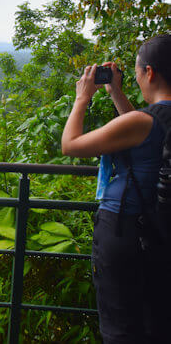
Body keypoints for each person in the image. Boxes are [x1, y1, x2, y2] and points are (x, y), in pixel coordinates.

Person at [61, 34, 171, 343]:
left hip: (125, 233)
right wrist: (116, 93)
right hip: (159, 232)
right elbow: (143, 132)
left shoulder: (141, 122)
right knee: (156, 323)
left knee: (121, 327)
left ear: (149, 72)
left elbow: (70, 145)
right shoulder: (152, 121)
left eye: (137, 70)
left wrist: (82, 97)